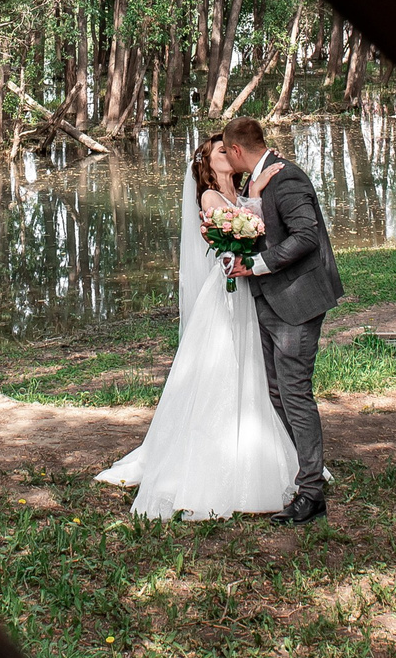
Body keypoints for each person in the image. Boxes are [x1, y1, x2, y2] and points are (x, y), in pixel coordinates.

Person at [95, 136, 299, 519]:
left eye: (231, 149)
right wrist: (253, 195)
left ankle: (257, 448)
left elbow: (255, 226)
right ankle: (209, 462)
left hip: (245, 287)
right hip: (225, 291)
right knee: (220, 367)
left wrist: (252, 192)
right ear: (208, 161)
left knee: (250, 367)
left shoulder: (236, 193)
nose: (230, 153)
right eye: (222, 150)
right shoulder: (208, 197)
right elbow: (242, 237)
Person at [218, 117, 343, 523]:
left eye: (226, 151)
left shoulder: (286, 179)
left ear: (237, 150)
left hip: (298, 301)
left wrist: (256, 264)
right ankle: (306, 472)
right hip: (273, 299)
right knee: (278, 393)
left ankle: (312, 495)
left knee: (294, 393)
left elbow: (306, 236)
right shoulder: (258, 182)